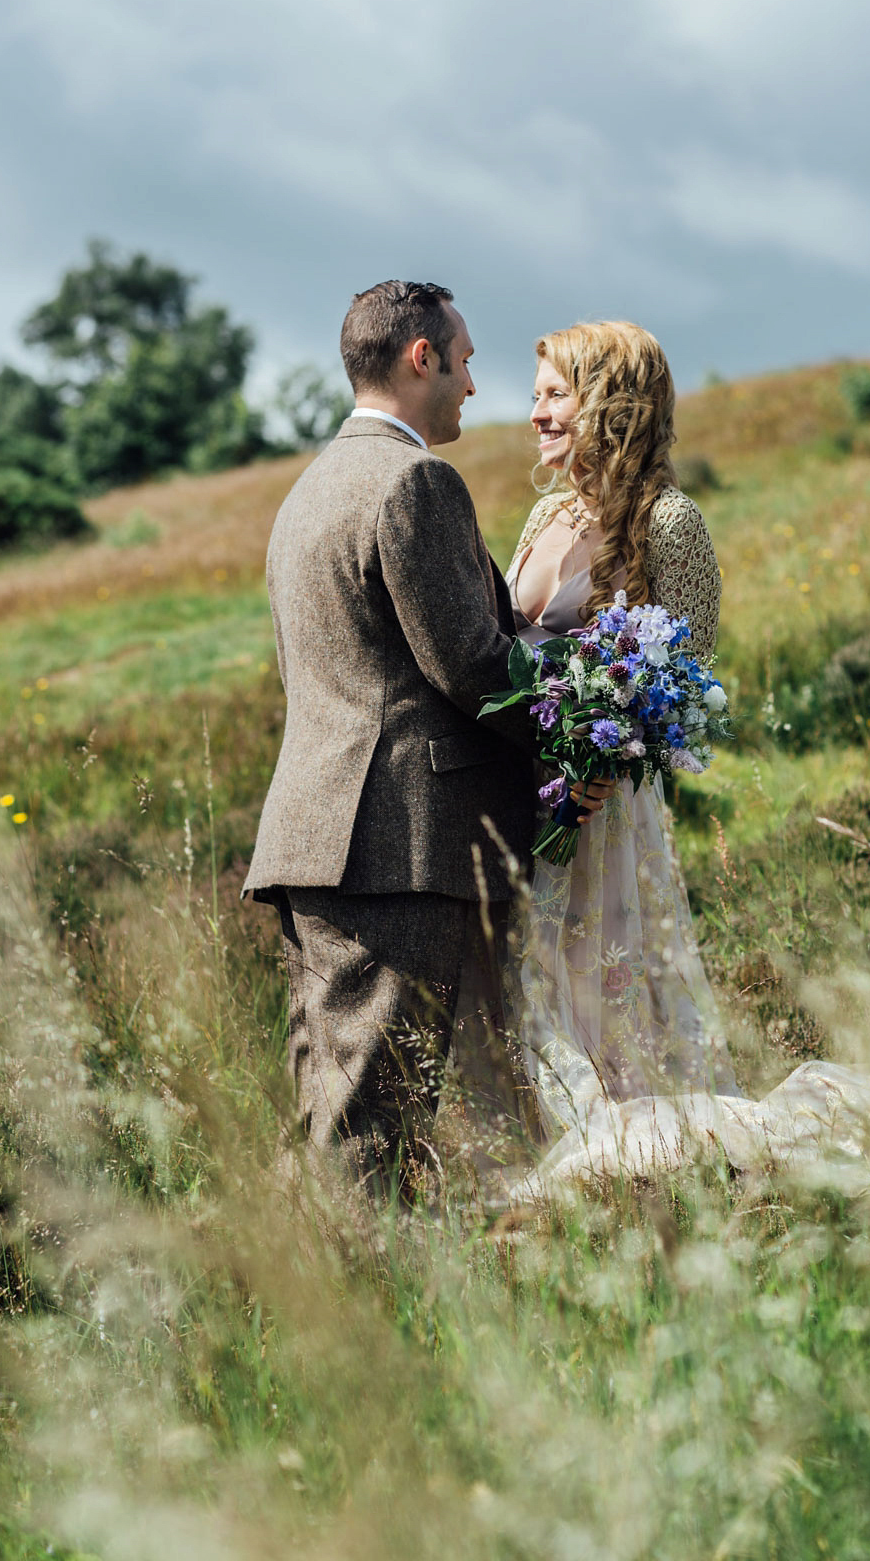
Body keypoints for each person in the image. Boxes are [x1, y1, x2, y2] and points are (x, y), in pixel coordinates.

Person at [242, 281, 607, 1201]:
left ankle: (312, 1314)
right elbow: (474, 669)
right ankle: (356, 1324)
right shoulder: (416, 482)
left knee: (330, 1110)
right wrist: (587, 739)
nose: (475, 388)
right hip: (398, 846)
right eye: (468, 360)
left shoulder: (307, 490)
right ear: (421, 358)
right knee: (371, 1129)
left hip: (315, 839)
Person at [503, 320, 742, 1143]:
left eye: (555, 395)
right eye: (535, 395)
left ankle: (635, 1164)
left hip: (601, 815)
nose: (535, 413)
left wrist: (603, 753)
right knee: (522, 993)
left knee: (601, 999)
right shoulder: (545, 518)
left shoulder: (670, 522)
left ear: (611, 402)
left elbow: (686, 676)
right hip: (523, 798)